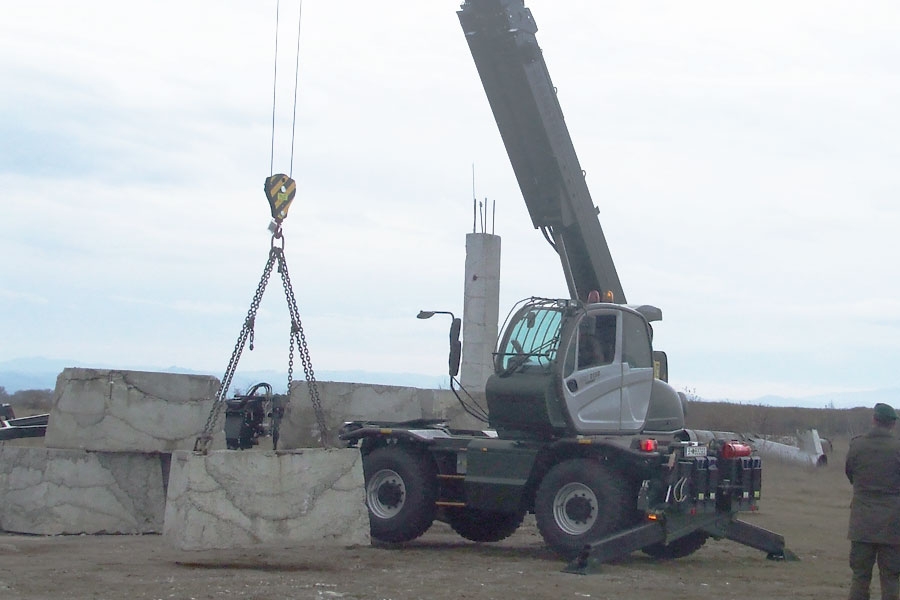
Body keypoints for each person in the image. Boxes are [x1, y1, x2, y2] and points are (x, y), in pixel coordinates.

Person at [846, 403, 900, 600]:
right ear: (892, 424)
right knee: (891, 577)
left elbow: (850, 474)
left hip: (862, 521)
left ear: (874, 420)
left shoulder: (857, 445)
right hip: (893, 523)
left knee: (860, 576)